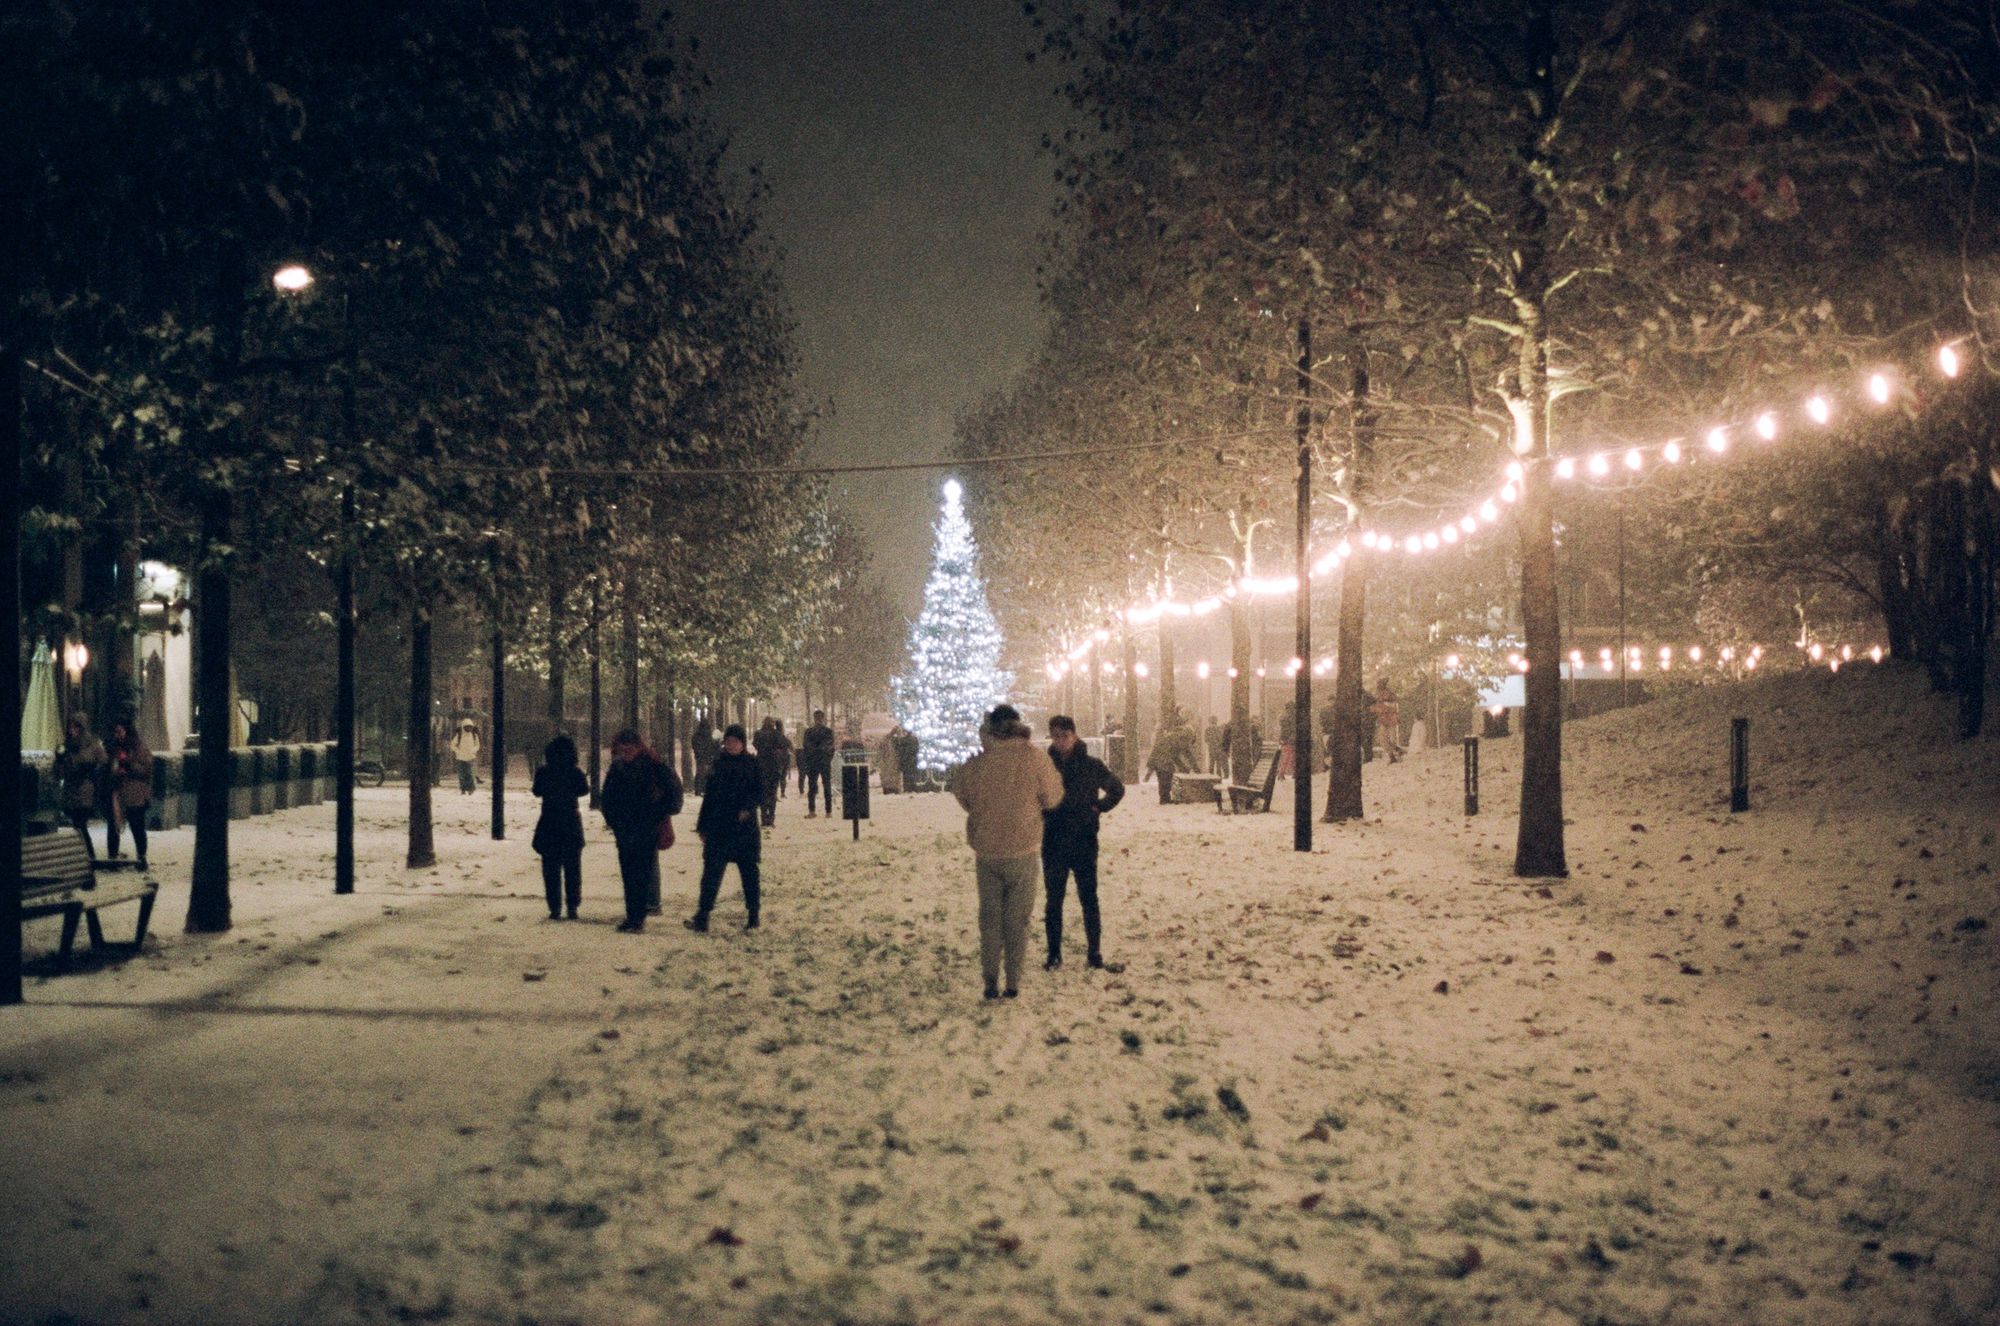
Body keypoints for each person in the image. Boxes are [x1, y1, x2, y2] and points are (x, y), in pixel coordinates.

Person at [952, 704, 1064, 1000]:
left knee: (989, 918)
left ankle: (990, 980)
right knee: (1018, 919)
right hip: (1023, 848)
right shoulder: (1035, 759)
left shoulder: (979, 763)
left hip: (987, 850)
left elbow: (962, 793)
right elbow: (1053, 797)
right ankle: (1013, 981)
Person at [1041, 714, 1124, 970]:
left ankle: (1094, 952)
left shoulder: (1091, 765)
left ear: (1074, 735)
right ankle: (1054, 954)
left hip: (1083, 840)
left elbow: (1117, 788)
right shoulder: (1045, 768)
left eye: (1064, 736)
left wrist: (1099, 807)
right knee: (1054, 900)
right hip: (1054, 840)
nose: (1061, 741)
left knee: (1088, 897)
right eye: (1056, 736)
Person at [600, 727, 681, 933]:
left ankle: (637, 917)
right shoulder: (619, 768)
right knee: (629, 873)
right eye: (623, 750)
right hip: (626, 828)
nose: (626, 753)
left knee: (641, 873)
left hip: (645, 828)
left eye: (629, 749)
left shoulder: (653, 766)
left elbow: (672, 793)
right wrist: (614, 821)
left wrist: (658, 813)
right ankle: (633, 916)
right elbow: (607, 798)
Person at [689, 723, 764, 932]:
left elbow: (759, 792)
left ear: (742, 743)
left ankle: (753, 914)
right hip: (719, 826)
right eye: (728, 741)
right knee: (711, 872)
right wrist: (702, 826)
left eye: (735, 742)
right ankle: (702, 914)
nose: (731, 745)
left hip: (743, 829)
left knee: (749, 872)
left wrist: (747, 809)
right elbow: (710, 797)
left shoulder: (752, 764)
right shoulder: (718, 764)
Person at [532, 734, 589, 920]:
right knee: (573, 868)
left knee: (551, 869)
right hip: (571, 822)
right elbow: (583, 790)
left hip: (549, 821)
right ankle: (573, 905)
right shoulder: (575, 772)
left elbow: (537, 791)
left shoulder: (544, 772)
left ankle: (554, 906)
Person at [54, 713, 107, 859]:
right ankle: (83, 855)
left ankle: (88, 855)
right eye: (71, 726)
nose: (72, 730)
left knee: (80, 824)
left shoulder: (92, 744)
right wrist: (60, 760)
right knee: (77, 826)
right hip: (71, 790)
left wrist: (91, 769)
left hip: (85, 790)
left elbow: (103, 763)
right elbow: (59, 772)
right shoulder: (66, 746)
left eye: (76, 726)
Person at [105, 717, 153, 869]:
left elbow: (147, 770)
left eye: (120, 731)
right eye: (115, 732)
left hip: (135, 793)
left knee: (137, 825)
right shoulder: (112, 748)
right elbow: (107, 767)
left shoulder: (138, 747)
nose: (117, 735)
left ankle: (141, 857)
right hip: (117, 792)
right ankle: (112, 858)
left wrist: (129, 764)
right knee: (113, 825)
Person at [1146, 707, 1198, 805]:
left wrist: (1185, 768)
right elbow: (1176, 756)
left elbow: (1175, 754)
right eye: (1190, 741)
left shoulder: (1176, 734)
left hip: (1159, 758)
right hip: (1163, 759)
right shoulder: (1178, 738)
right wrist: (1186, 768)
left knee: (1164, 778)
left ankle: (1165, 798)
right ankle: (1164, 799)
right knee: (1165, 777)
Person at [752, 718, 791, 827]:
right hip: (774, 766)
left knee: (763, 792)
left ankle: (764, 817)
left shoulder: (758, 734)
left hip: (761, 765)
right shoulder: (777, 734)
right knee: (772, 792)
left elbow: (755, 745)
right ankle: (771, 817)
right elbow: (785, 745)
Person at [798, 709, 837, 818]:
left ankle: (812, 811)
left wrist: (810, 757)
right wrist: (827, 757)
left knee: (812, 786)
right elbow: (831, 747)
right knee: (826, 786)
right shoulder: (828, 732)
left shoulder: (809, 732)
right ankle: (828, 811)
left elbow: (806, 747)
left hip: (813, 762)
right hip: (824, 762)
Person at [1371, 680, 1403, 764]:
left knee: (1388, 739)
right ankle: (1393, 754)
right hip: (1385, 719)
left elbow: (1389, 706)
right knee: (1383, 739)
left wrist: (1380, 708)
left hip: (1389, 719)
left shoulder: (1387, 694)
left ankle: (1395, 753)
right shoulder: (1381, 695)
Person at [451, 719, 481, 795]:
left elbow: (477, 745)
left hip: (471, 758)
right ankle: (463, 789)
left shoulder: (474, 736)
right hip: (460, 758)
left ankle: (471, 789)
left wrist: (473, 750)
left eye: (470, 727)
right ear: (463, 727)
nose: (469, 728)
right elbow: (452, 745)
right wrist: (458, 751)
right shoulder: (459, 735)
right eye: (467, 727)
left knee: (470, 774)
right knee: (461, 775)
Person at [690, 719, 718, 795]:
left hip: (700, 757)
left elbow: (694, 745)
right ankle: (703, 789)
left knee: (700, 773)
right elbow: (712, 745)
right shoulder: (708, 735)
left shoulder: (696, 735)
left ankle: (699, 789)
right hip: (706, 756)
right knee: (705, 773)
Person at [877, 725, 907, 794]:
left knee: (892, 777)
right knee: (890, 777)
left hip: (892, 763)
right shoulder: (888, 740)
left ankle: (892, 789)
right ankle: (891, 789)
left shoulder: (889, 739)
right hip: (890, 762)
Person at [894, 725, 921, 792]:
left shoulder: (903, 740)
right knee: (912, 775)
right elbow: (916, 749)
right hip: (913, 760)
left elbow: (899, 750)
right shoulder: (914, 739)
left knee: (906, 776)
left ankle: (908, 788)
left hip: (905, 761)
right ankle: (913, 788)